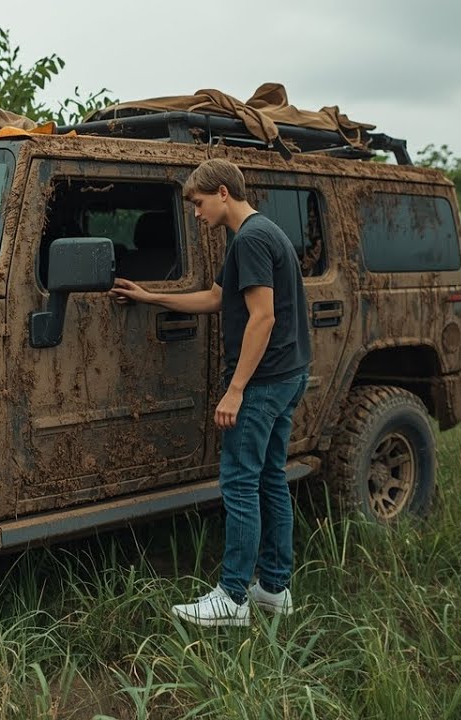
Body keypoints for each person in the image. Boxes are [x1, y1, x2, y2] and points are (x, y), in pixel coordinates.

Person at [109, 158, 311, 627]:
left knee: (240, 481)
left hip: (262, 382)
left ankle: (232, 598)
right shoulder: (257, 235)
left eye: (199, 204)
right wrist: (150, 297)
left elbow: (263, 317)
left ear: (222, 192)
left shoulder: (253, 239)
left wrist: (236, 389)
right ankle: (274, 589)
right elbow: (217, 298)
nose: (196, 214)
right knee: (269, 478)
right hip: (287, 375)